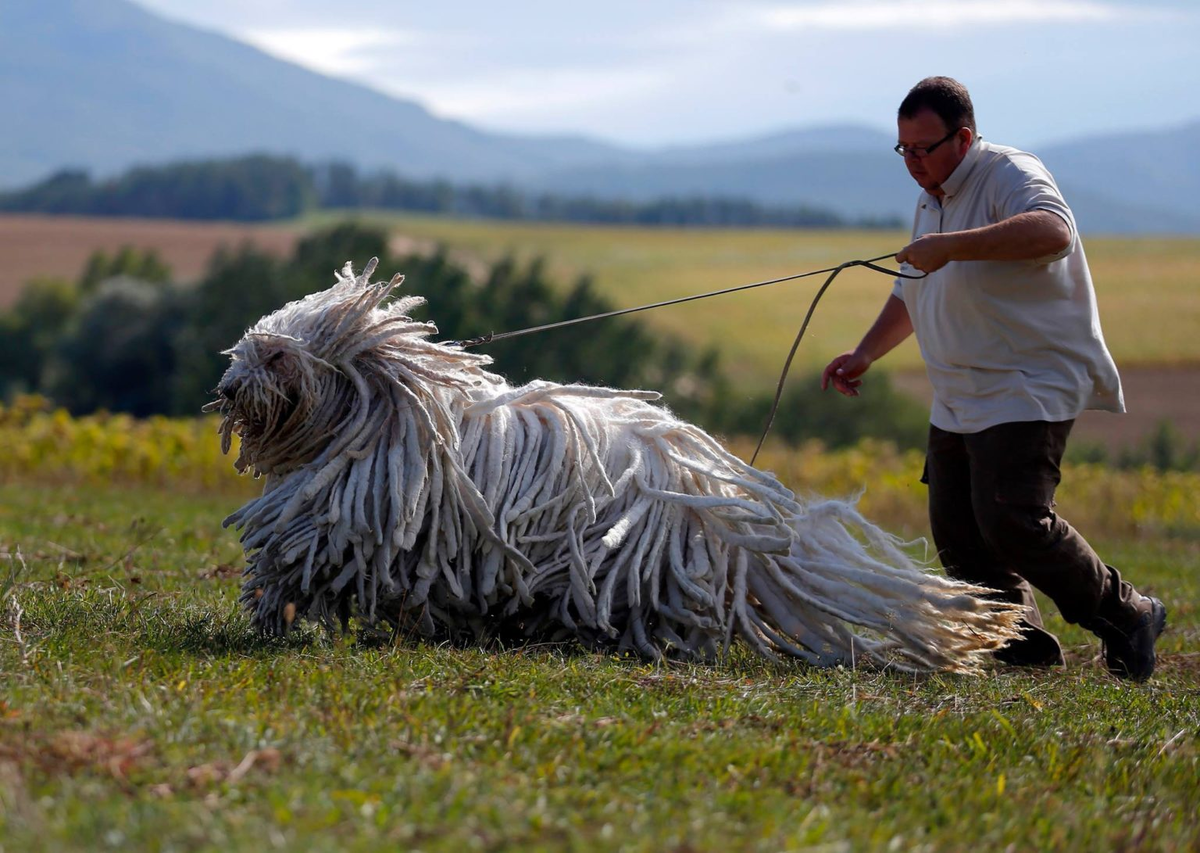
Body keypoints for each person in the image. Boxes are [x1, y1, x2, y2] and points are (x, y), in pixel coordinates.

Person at [821, 76, 1167, 680]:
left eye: (925, 148)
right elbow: (913, 291)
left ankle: (1127, 614)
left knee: (1012, 518)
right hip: (958, 391)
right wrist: (865, 352)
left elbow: (1054, 231)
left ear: (966, 137)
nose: (914, 163)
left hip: (1027, 380)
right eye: (903, 149)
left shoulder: (1010, 173)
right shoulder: (932, 193)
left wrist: (951, 246)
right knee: (958, 532)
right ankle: (1018, 642)